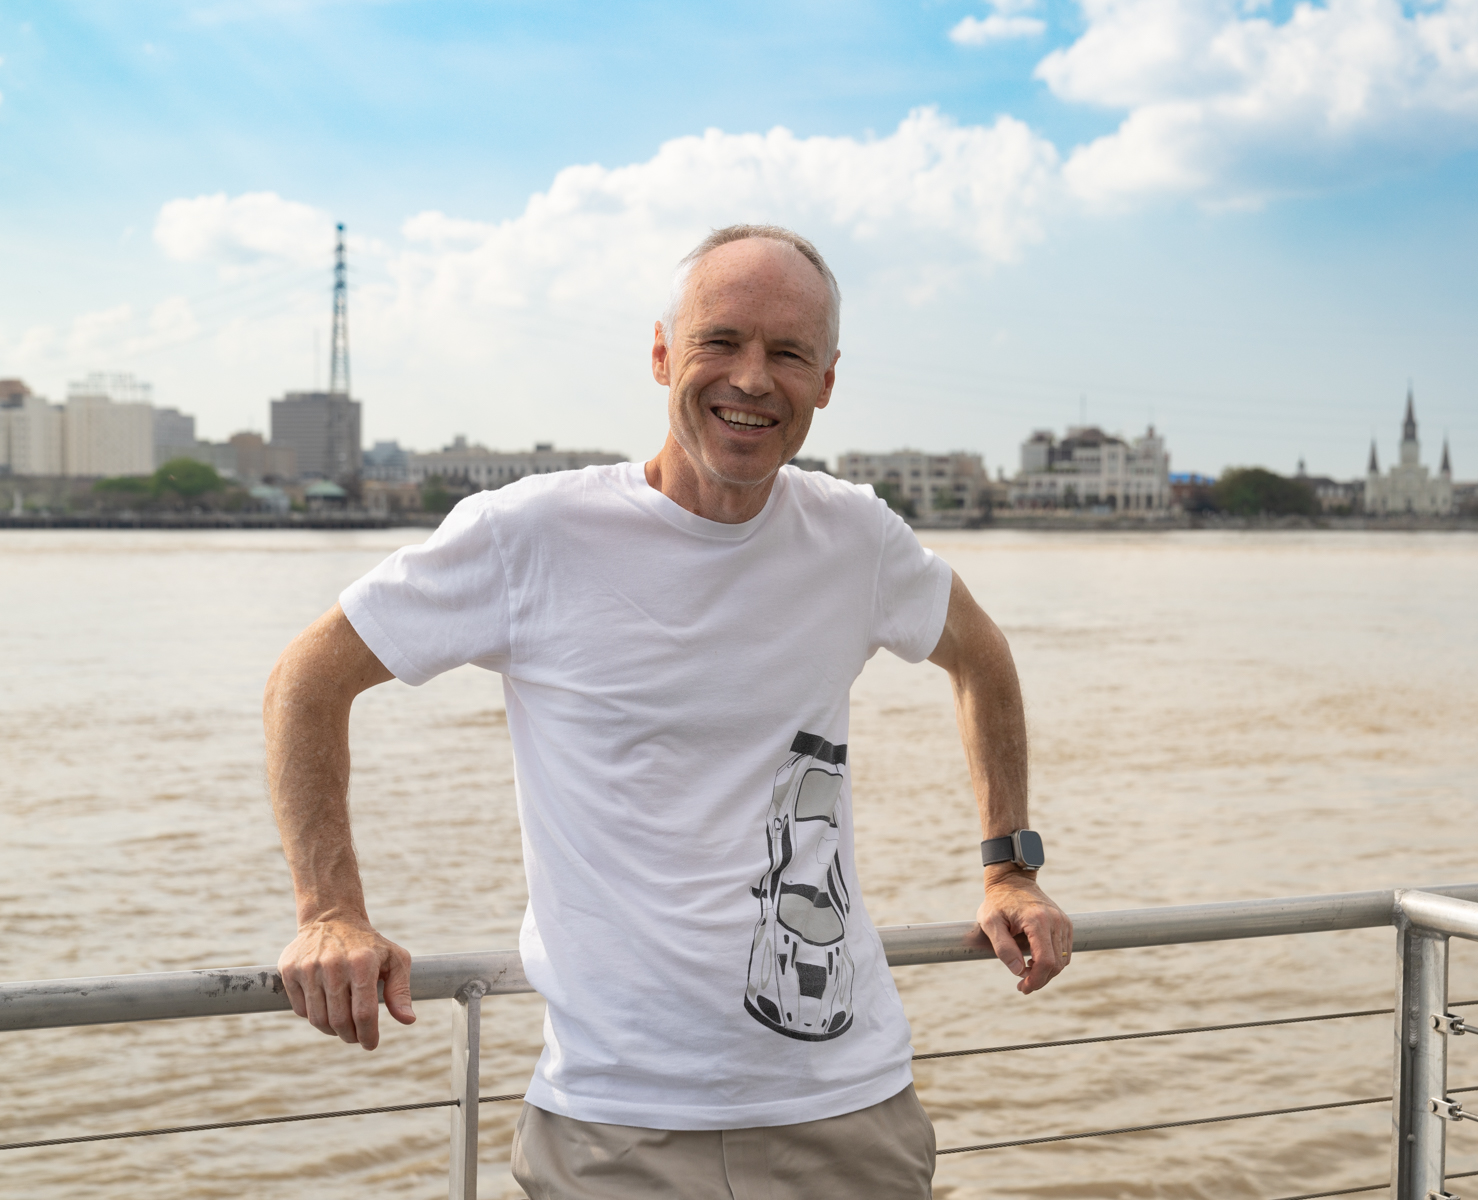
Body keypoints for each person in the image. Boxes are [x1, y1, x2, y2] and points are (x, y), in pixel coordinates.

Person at [263, 224, 1073, 1198]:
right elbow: (308, 679)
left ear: (827, 380)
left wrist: (1010, 872)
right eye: (720, 342)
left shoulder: (855, 537)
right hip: (618, 1125)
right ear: (660, 354)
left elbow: (980, 657)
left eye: (788, 353)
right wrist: (330, 912)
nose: (752, 378)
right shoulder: (532, 535)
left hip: (849, 1111)